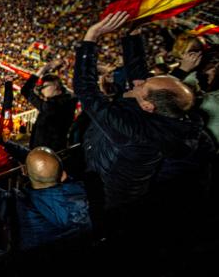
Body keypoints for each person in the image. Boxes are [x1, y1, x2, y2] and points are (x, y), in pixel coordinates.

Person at [74, 12, 214, 232]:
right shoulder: (170, 111)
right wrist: (133, 33)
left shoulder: (131, 130)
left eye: (144, 86)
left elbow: (86, 91)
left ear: (148, 106)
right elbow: (140, 77)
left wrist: (91, 36)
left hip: (104, 196)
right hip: (114, 182)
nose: (137, 83)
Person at [20, 61, 77, 151]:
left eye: (44, 87)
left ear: (54, 86)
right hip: (52, 151)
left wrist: (43, 69)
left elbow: (25, 90)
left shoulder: (51, 106)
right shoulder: (69, 100)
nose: (42, 90)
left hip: (46, 154)